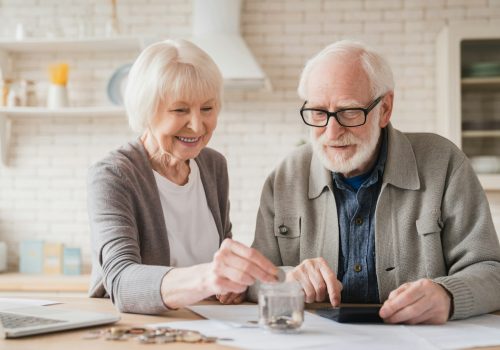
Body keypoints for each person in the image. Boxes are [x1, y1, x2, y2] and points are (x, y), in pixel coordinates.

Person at [250, 40, 500, 324]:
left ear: (385, 109)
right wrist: (286, 278)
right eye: (319, 113)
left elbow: (492, 271)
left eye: (349, 112)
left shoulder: (443, 163)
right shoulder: (285, 176)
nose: (332, 132)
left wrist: (447, 294)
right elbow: (251, 280)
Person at [87, 39, 279, 314]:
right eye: (180, 110)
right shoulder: (113, 175)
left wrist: (231, 284)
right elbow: (121, 281)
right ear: (146, 109)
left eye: (207, 109)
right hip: (140, 330)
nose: (197, 125)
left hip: (209, 325)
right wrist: (207, 279)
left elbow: (221, 255)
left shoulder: (213, 166)